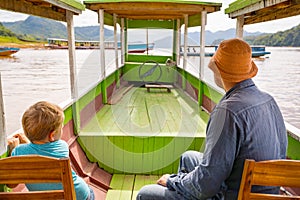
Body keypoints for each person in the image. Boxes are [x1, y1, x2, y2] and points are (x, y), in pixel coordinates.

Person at [137, 38, 287, 199]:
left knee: (145, 194)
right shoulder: (268, 100)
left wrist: (172, 181)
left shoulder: (228, 111)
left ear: (218, 71)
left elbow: (206, 185)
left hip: (236, 195)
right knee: (189, 157)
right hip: (263, 190)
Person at [8, 101, 95, 200]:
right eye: (61, 128)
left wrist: (14, 150)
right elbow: (42, 151)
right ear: (52, 135)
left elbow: (11, 185)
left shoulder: (19, 152)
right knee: (89, 191)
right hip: (79, 196)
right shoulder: (62, 146)